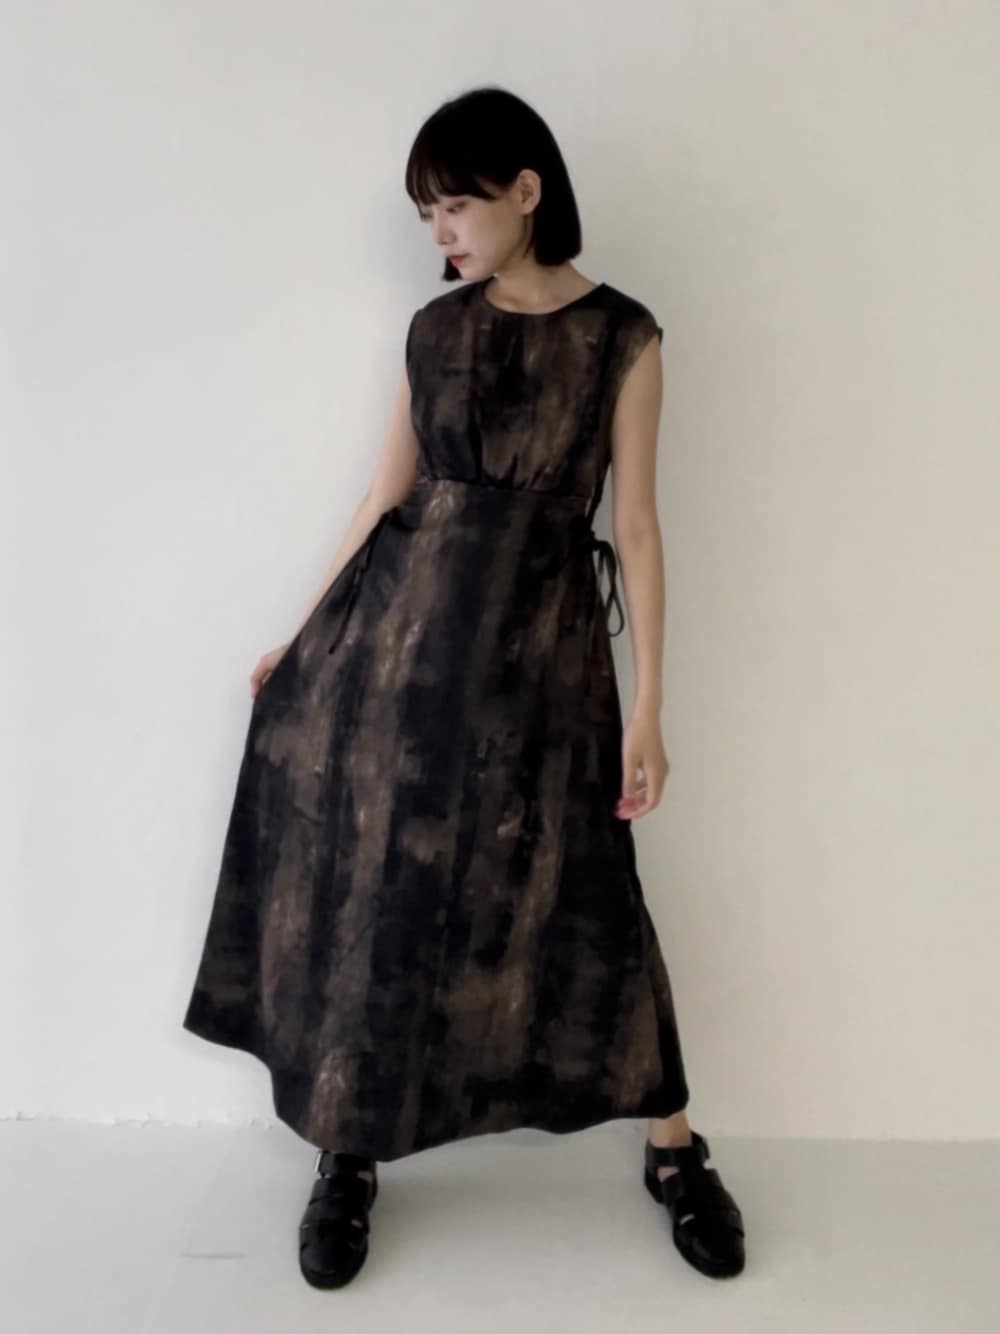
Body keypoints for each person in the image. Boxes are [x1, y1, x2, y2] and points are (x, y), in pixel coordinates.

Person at [182, 84, 745, 1288]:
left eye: (454, 207)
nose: (438, 234)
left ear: (526, 192)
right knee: (381, 892)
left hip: (545, 660)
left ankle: (673, 1146)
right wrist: (302, 637)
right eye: (425, 215)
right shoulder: (433, 332)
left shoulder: (624, 337)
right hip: (398, 659)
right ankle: (347, 1149)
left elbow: (636, 526)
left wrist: (649, 707)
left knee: (587, 888)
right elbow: (383, 497)